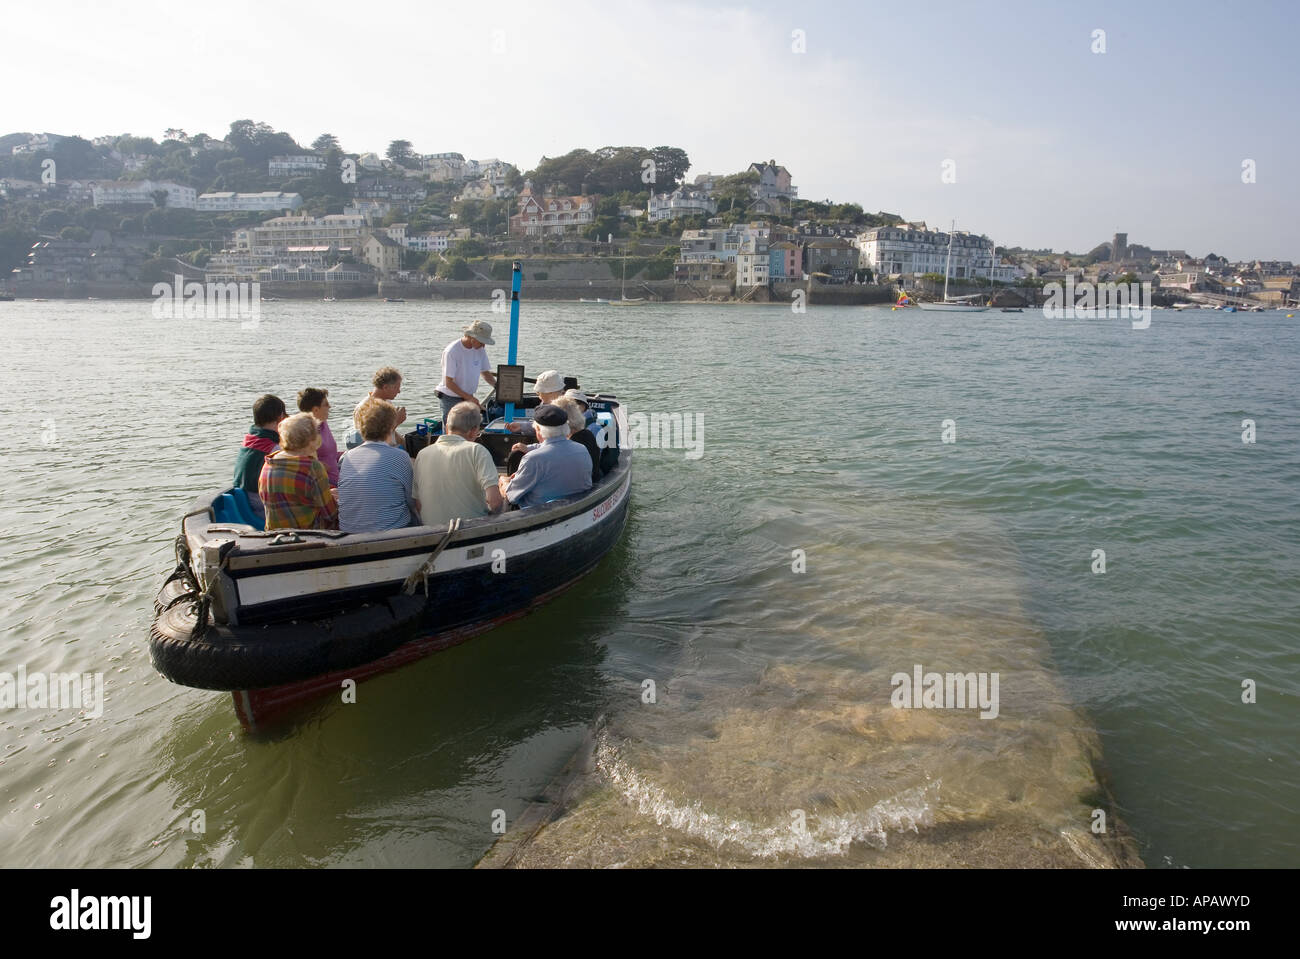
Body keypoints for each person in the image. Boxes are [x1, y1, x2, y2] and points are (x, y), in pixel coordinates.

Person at [413, 401, 504, 527]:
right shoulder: (477, 451)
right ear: (473, 431)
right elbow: (494, 502)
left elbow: (418, 504)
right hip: (470, 530)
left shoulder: (422, 454)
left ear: (446, 427)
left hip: (431, 530)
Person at [338, 398, 416, 532]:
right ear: (391, 427)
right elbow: (412, 500)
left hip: (349, 530)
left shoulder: (348, 457)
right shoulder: (399, 456)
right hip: (389, 532)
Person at [499, 404, 593, 509]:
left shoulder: (533, 459)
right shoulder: (582, 449)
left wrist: (504, 481)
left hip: (538, 514)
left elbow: (511, 496)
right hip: (575, 509)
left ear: (538, 430)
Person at [259, 412, 339, 531]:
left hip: (274, 533)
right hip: (307, 534)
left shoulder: (268, 463)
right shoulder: (312, 467)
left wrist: (327, 495)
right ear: (312, 439)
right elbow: (330, 514)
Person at [505, 396, 600, 483]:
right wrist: (529, 448)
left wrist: (505, 481)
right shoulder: (585, 435)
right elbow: (553, 448)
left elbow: (552, 452)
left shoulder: (574, 444)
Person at [233, 394, 287, 521]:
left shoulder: (248, 440)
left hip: (243, 498)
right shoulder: (274, 449)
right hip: (260, 505)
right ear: (280, 417)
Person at [435, 320, 497, 422]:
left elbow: (485, 372)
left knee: (469, 426)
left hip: (468, 397)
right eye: (482, 342)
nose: (484, 346)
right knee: (452, 428)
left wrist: (497, 386)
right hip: (450, 398)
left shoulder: (480, 350)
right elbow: (449, 383)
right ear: (472, 337)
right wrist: (469, 398)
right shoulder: (452, 351)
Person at [346, 367, 406, 449]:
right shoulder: (363, 409)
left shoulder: (387, 402)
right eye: (396, 387)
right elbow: (369, 441)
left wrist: (404, 443)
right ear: (385, 387)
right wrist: (396, 422)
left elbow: (392, 433)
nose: (399, 391)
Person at [504, 370, 567, 437]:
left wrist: (522, 427)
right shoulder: (545, 403)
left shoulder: (565, 408)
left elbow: (546, 427)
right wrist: (521, 426)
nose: (538, 395)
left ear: (550, 392)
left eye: (539, 392)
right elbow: (539, 423)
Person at [298, 387, 339, 486]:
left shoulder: (323, 423)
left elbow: (330, 455)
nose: (330, 406)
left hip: (337, 479)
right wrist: (321, 466)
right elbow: (303, 464)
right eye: (326, 404)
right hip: (323, 485)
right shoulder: (305, 432)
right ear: (316, 410)